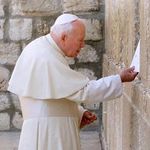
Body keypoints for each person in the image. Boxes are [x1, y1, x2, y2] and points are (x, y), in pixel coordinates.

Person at [7, 14, 138, 150]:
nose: (83, 45)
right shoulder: (45, 57)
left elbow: (54, 96)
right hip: (49, 135)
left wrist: (78, 112)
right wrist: (119, 79)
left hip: (50, 129)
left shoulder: (44, 49)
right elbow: (83, 91)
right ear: (64, 37)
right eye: (80, 40)